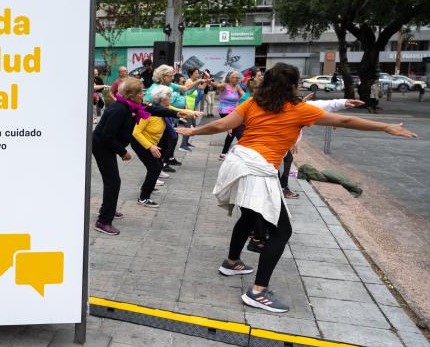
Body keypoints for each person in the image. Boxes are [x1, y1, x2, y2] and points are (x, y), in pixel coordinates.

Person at [177, 63, 416, 312]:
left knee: (248, 215)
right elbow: (344, 121)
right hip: (258, 168)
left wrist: (193, 131)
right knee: (281, 232)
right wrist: (386, 127)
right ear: (292, 86)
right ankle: (257, 292)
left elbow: (221, 125)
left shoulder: (253, 103)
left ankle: (231, 261)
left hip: (239, 162)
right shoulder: (298, 109)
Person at [92, 78, 148, 235]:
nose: (142, 95)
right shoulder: (119, 109)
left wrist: (177, 113)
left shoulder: (129, 106)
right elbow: (107, 136)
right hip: (102, 146)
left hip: (106, 145)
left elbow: (154, 109)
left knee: (112, 181)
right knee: (113, 182)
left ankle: (106, 209)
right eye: (140, 92)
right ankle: (103, 221)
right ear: (131, 94)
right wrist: (123, 152)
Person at [133, 86, 201, 207]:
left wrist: (192, 113)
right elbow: (136, 133)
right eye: (169, 96)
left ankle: (149, 187)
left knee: (157, 166)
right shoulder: (148, 112)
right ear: (162, 99)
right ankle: (143, 198)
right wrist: (150, 147)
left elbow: (178, 111)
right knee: (155, 167)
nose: (171, 97)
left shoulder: (165, 108)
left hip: (152, 143)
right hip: (140, 143)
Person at [212, 71, 245, 159]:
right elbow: (217, 85)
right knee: (237, 131)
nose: (237, 79)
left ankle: (224, 153)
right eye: (235, 78)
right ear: (230, 78)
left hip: (234, 111)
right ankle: (243, 152)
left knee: (233, 132)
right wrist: (211, 81)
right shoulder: (225, 86)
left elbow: (245, 96)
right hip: (224, 111)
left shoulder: (237, 87)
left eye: (238, 78)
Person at [179, 68, 206, 151]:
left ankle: (186, 142)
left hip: (192, 107)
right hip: (187, 107)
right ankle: (182, 145)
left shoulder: (195, 82)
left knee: (193, 125)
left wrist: (206, 81)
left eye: (198, 73)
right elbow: (186, 94)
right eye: (196, 73)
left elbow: (202, 88)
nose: (197, 75)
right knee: (188, 126)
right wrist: (186, 106)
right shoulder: (189, 82)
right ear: (191, 74)